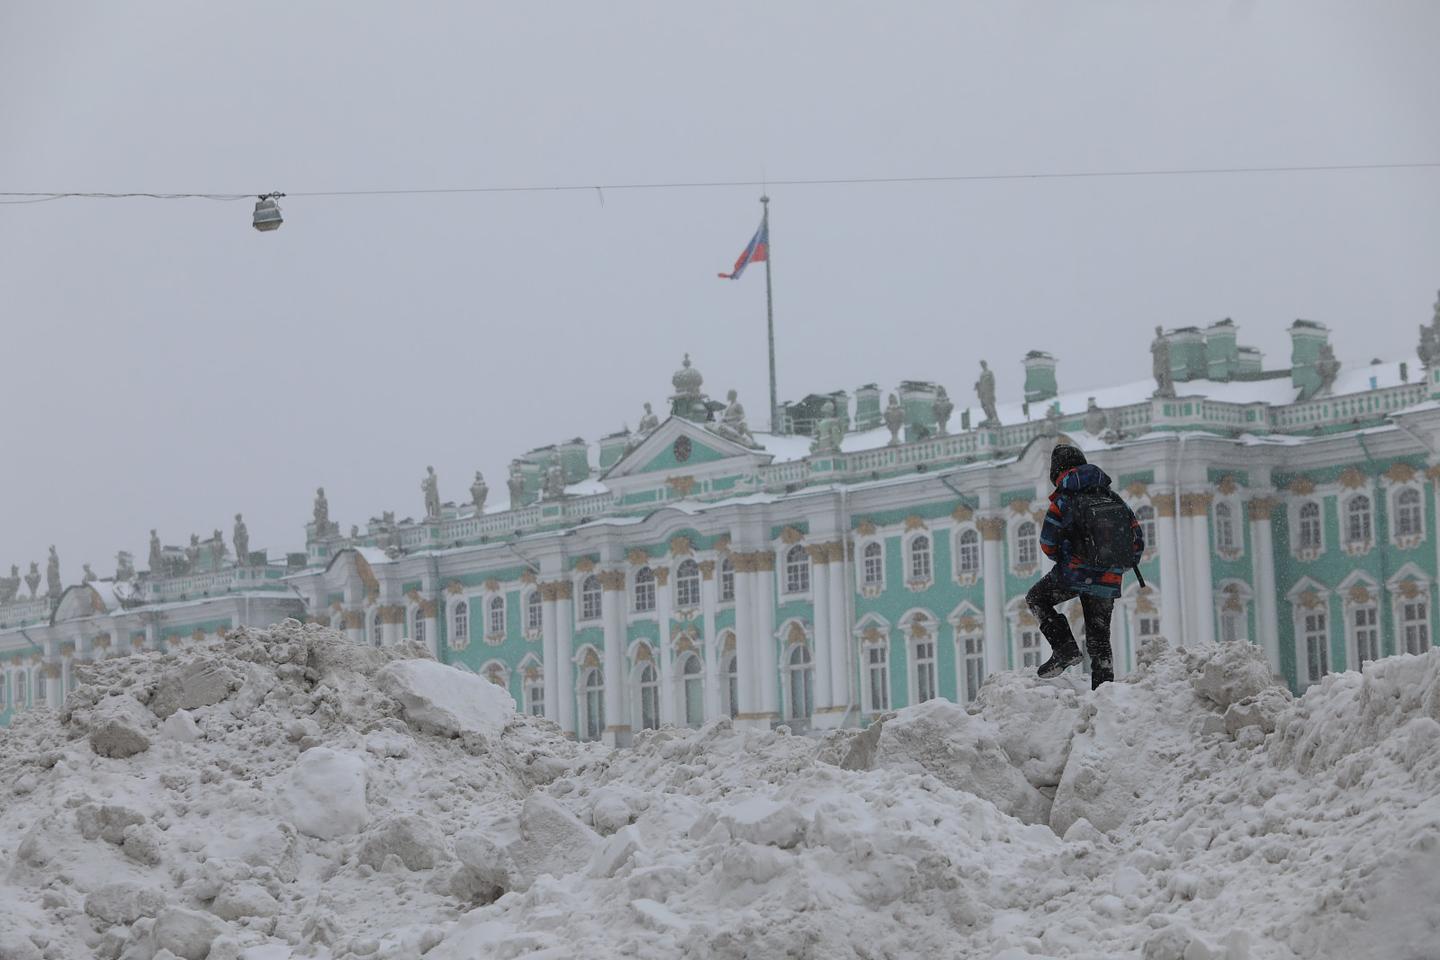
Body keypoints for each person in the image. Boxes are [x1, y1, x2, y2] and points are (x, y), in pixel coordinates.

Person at [1028, 444, 1144, 690]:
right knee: (1100, 638)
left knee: (1037, 598)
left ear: (1056, 473)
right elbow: (1137, 539)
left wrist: (1071, 559)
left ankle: (1065, 647)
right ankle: (1104, 694)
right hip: (1109, 578)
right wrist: (1113, 566)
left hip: (1075, 573)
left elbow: (1047, 543)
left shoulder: (1064, 499)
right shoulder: (1113, 497)